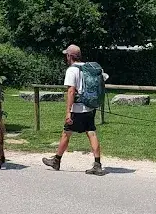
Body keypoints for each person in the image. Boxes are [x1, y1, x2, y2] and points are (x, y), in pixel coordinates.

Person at [43, 44, 109, 176]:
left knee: (66, 133)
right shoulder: (88, 68)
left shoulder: (72, 70)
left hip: (77, 108)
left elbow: (71, 91)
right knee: (91, 133)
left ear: (70, 56)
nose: (66, 58)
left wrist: (68, 111)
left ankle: (56, 161)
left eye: (66, 55)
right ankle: (97, 165)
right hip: (89, 107)